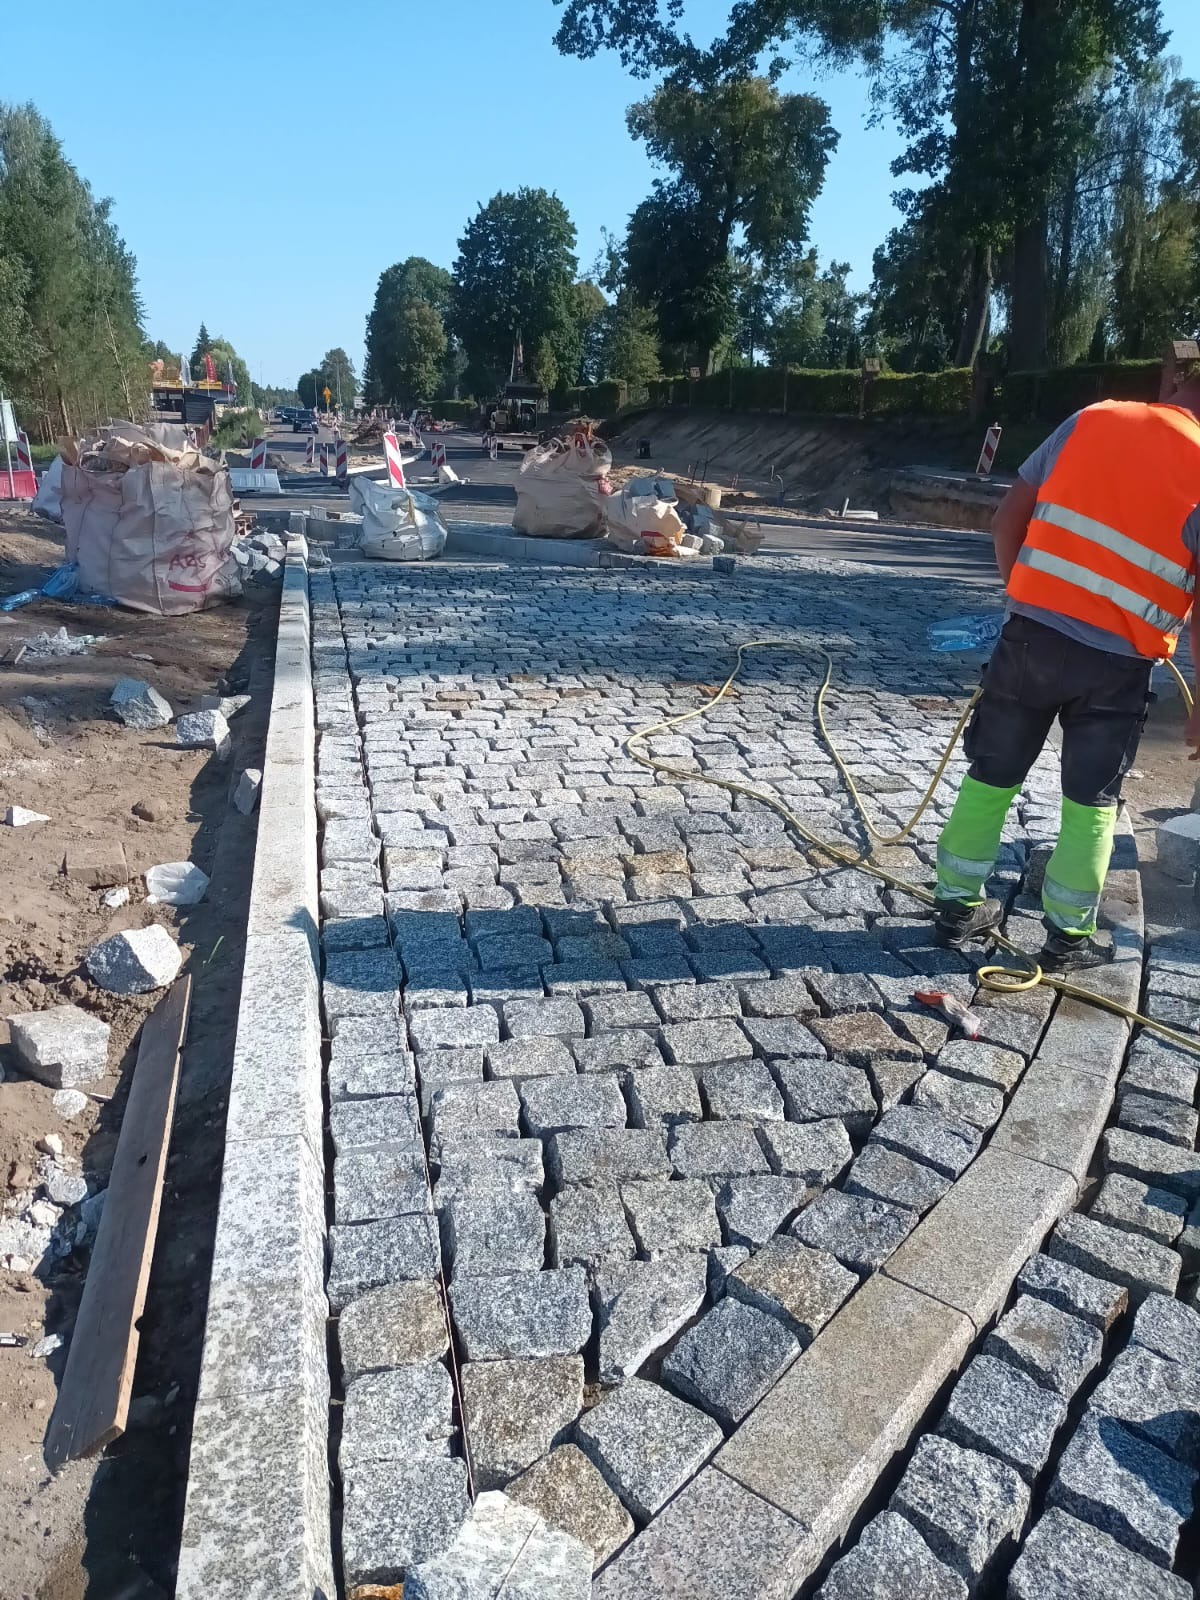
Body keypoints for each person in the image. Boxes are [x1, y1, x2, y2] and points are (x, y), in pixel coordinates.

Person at [933, 373, 1200, 971]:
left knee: (992, 771)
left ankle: (955, 907)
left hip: (1031, 638)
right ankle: (1068, 938)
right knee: (1091, 799)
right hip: (1118, 666)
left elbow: (1006, 520)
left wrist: (1026, 601)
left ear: (1180, 385)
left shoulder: (1092, 419)